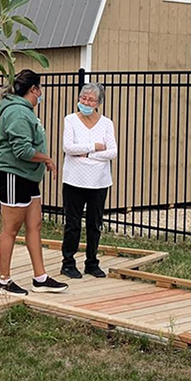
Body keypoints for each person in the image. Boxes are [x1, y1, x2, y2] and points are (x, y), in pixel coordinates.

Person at [0, 69, 69, 295]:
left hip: (28, 176)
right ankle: (2, 281)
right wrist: (47, 159)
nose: (41, 94)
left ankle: (40, 277)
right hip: (13, 175)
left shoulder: (25, 111)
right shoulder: (17, 112)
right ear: (33, 89)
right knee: (11, 229)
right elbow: (22, 150)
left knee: (35, 225)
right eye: (40, 89)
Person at [60, 82, 117, 279]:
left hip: (99, 181)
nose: (85, 102)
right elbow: (68, 148)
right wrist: (94, 146)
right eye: (83, 98)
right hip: (74, 180)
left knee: (95, 223)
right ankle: (68, 263)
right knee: (72, 223)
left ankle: (92, 262)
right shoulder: (70, 120)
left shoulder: (107, 123)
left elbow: (112, 151)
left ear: (98, 103)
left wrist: (86, 154)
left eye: (90, 100)